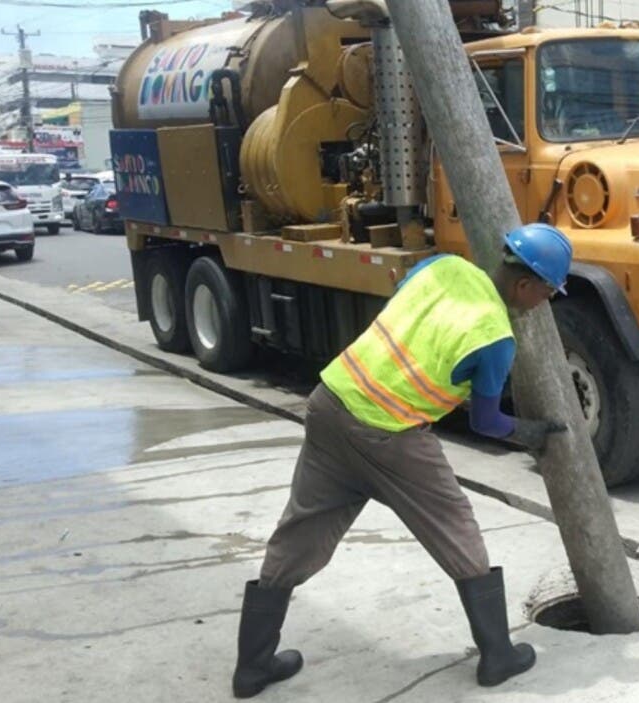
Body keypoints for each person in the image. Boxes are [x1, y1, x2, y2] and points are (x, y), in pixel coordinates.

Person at [231, 223, 574, 698]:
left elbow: (403, 312)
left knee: (300, 533)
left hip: (331, 402)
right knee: (456, 527)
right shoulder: (495, 336)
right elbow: (486, 422)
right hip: (389, 432)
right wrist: (529, 432)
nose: (545, 302)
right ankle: (498, 655)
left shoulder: (444, 267)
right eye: (548, 292)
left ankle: (252, 667)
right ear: (524, 284)